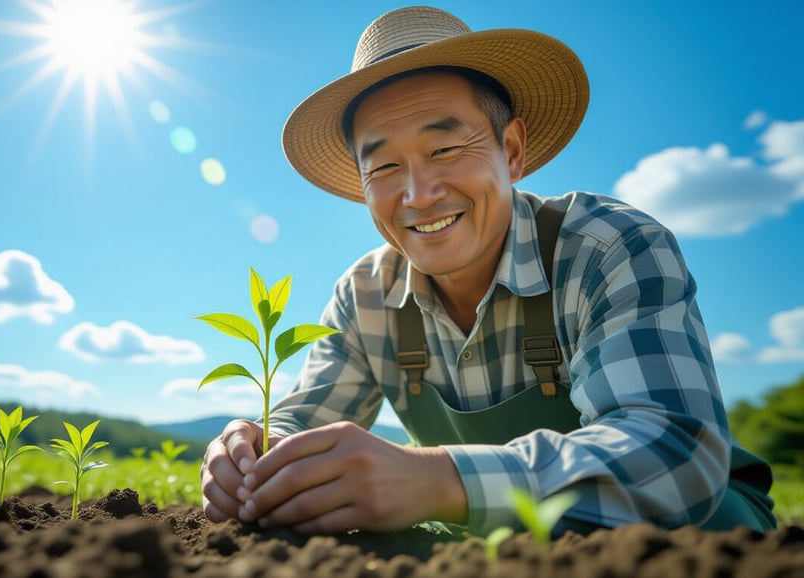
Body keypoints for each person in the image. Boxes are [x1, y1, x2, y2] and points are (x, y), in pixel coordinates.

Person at [199, 5, 777, 536]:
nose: (418, 195)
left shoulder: (608, 249)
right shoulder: (364, 295)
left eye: (445, 150)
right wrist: (253, 452)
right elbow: (307, 418)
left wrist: (439, 480)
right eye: (384, 167)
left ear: (513, 149)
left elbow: (674, 456)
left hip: (681, 533)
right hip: (485, 541)